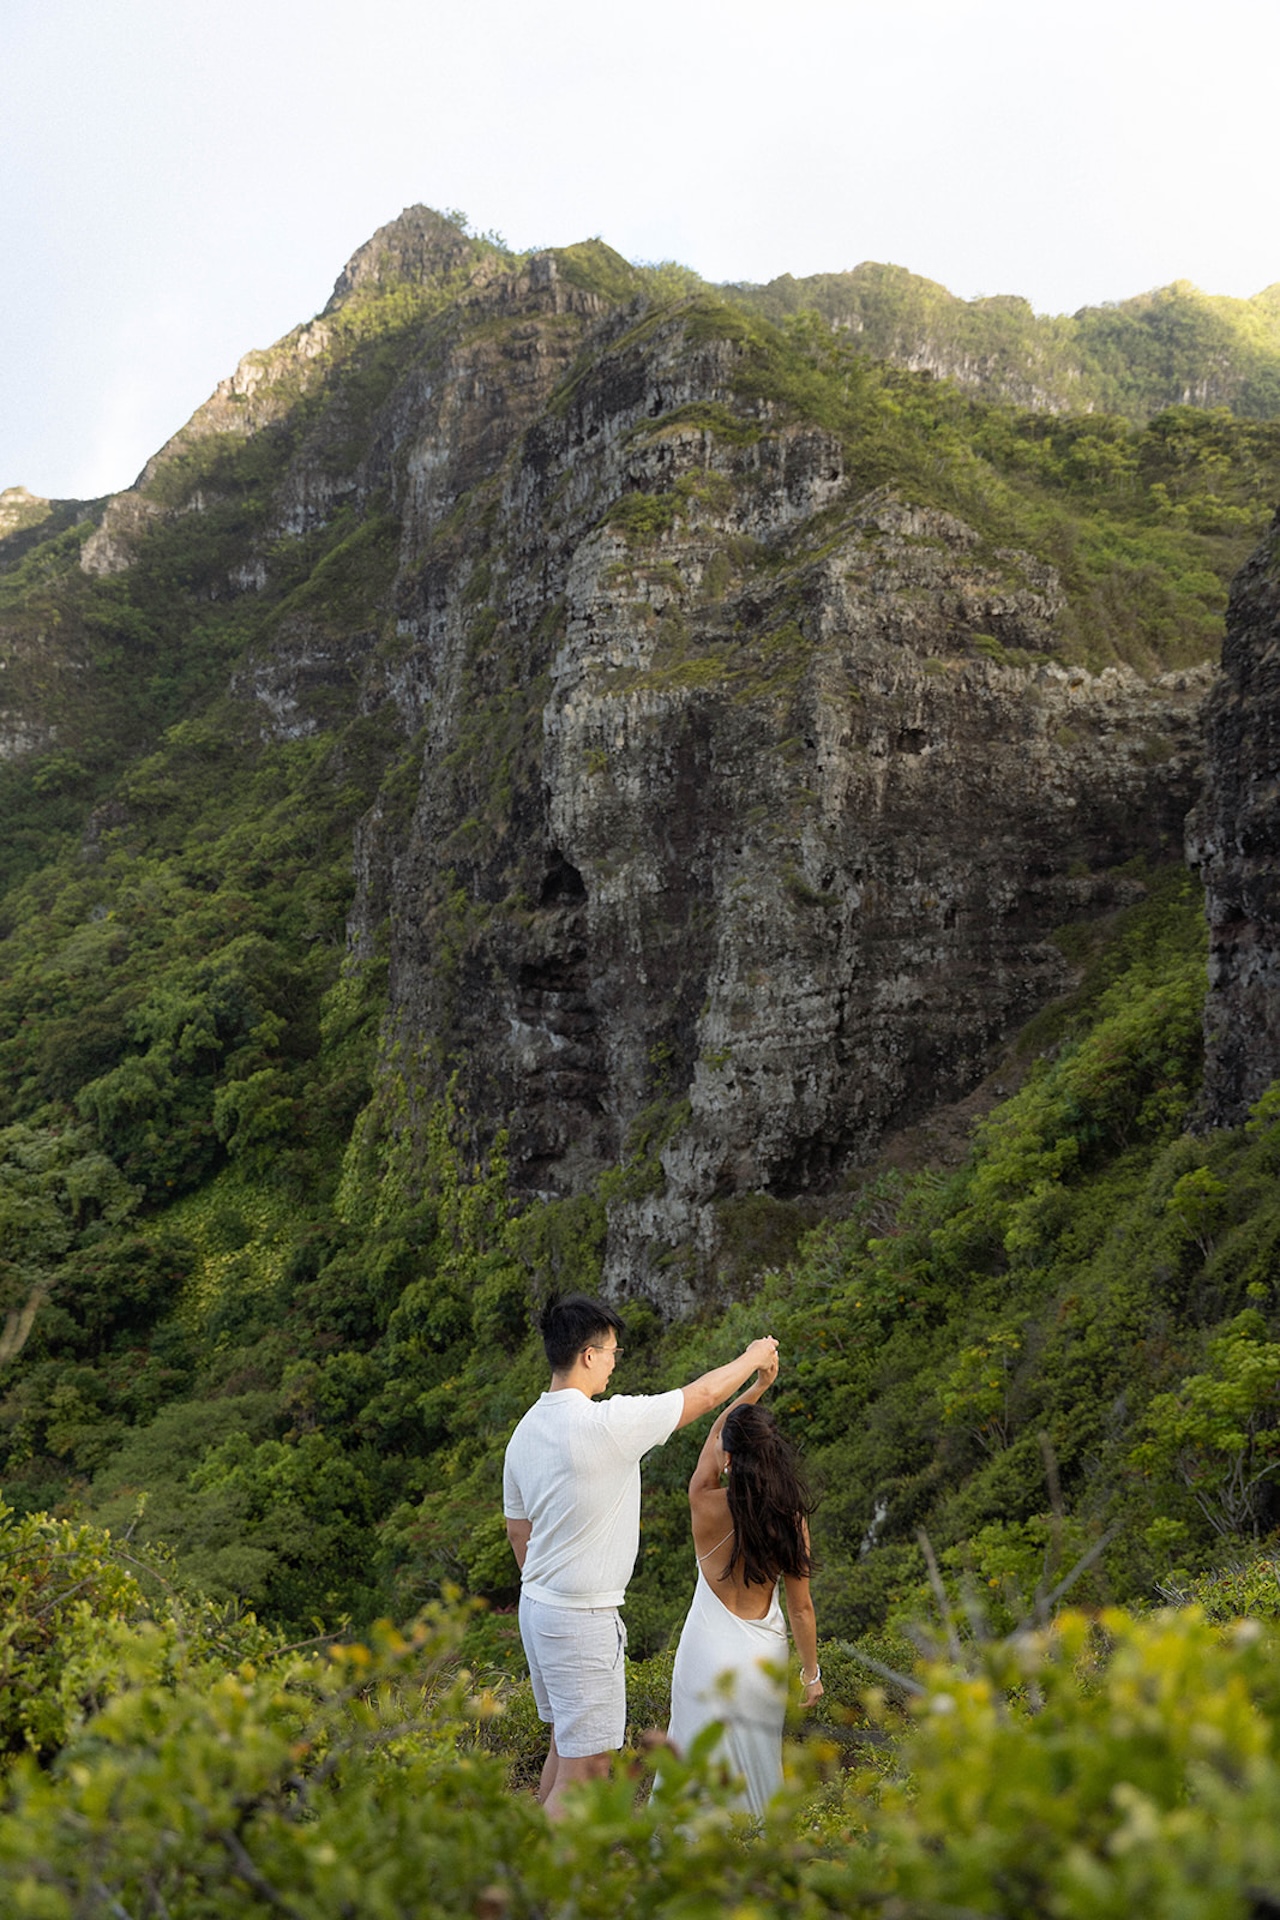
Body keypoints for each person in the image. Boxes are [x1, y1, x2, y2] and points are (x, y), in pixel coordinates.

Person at [503, 1292, 779, 1819]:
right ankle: (556, 1895)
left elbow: (521, 1534)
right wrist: (753, 1359)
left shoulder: (525, 1432)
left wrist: (551, 1586)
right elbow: (699, 1397)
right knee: (589, 1772)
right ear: (588, 1355)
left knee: (566, 1748)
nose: (613, 1361)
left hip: (538, 1608)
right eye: (611, 1352)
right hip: (582, 1616)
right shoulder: (606, 1424)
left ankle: (529, 1865)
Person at [664, 1351, 821, 1815]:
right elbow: (801, 1609)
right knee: (757, 1765)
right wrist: (811, 1675)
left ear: (729, 1457)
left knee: (693, 1754)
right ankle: (753, 1857)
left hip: (703, 1651)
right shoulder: (789, 1519)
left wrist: (756, 1385)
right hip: (760, 1658)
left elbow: (716, 1435)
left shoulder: (703, 1500)